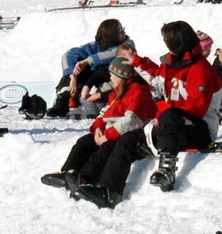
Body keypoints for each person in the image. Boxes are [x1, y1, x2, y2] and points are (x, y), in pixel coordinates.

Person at [80, 22, 222, 206]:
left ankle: (167, 171)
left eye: (167, 38)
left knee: (170, 115)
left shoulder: (201, 70)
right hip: (172, 127)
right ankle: (108, 191)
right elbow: (157, 76)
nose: (164, 42)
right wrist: (136, 60)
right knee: (126, 140)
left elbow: (196, 108)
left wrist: (163, 115)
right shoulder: (175, 64)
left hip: (199, 128)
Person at [39, 54, 157, 197]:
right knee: (83, 143)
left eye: (113, 75)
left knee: (104, 152)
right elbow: (105, 113)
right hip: (111, 131)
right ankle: (68, 172)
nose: (110, 78)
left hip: (126, 133)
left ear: (122, 76)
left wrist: (107, 135)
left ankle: (85, 179)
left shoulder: (138, 92)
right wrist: (98, 128)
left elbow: (132, 120)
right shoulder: (118, 92)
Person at [53, 18, 129, 117]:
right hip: (90, 81)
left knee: (105, 68)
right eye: (120, 31)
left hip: (108, 82)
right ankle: (64, 98)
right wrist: (72, 76)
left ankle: (90, 104)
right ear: (111, 35)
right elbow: (68, 55)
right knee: (75, 68)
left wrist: (88, 61)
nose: (124, 32)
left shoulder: (127, 44)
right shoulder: (95, 46)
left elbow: (114, 53)